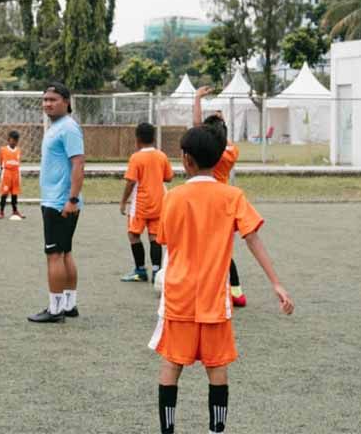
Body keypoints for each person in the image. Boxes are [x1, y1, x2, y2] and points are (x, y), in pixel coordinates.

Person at [149, 126, 294, 434]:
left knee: (171, 364)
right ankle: (216, 431)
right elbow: (252, 238)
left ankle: (168, 430)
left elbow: (164, 240)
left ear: (186, 160)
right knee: (217, 367)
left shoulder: (173, 197)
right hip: (215, 299)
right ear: (219, 161)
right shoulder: (232, 196)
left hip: (179, 297)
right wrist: (276, 283)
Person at [28, 83, 85, 323]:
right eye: (45, 100)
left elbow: (78, 163)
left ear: (66, 101)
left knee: (54, 255)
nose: (47, 104)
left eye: (53, 99)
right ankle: (69, 305)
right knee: (65, 252)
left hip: (60, 202)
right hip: (57, 199)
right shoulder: (56, 126)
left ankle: (55, 309)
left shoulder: (68, 128)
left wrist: (71, 199)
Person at [194, 86, 246, 308]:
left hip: (205, 200)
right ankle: (236, 291)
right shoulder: (232, 151)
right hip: (225, 202)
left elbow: (196, 128)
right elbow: (223, 137)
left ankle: (208, 290)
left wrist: (197, 98)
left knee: (202, 248)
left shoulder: (207, 150)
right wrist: (221, 122)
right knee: (223, 248)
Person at [119, 122, 174, 283]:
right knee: (154, 237)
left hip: (140, 204)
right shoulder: (161, 156)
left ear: (137, 139)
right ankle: (157, 272)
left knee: (133, 235)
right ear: (154, 138)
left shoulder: (136, 158)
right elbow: (169, 177)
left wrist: (123, 202)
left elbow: (130, 182)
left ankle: (140, 270)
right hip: (159, 202)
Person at [0, 130, 24, 219]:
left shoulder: (18, 150)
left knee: (14, 193)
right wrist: (3, 172)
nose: (14, 142)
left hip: (16, 174)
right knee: (4, 193)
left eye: (16, 140)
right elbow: (1, 163)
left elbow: (18, 162)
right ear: (8, 140)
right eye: (13, 140)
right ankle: (1, 211)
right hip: (7, 173)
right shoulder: (3, 150)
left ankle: (15, 210)